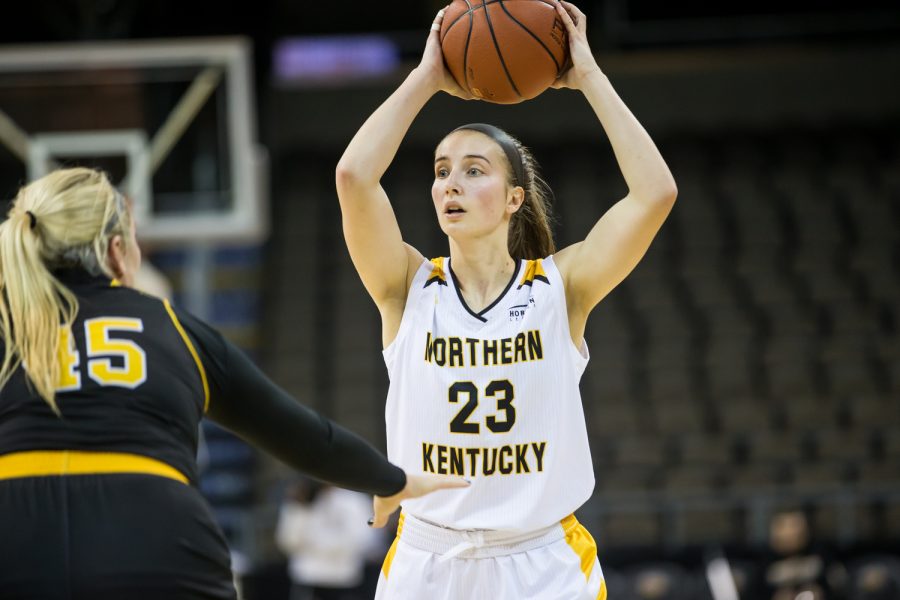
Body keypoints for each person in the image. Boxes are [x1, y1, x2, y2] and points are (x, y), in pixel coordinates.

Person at [335, 1, 677, 598]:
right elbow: (354, 177)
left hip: (542, 562)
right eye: (443, 171)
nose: (451, 184)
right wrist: (426, 78)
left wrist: (589, 77)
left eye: (474, 170)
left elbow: (655, 193)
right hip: (428, 560)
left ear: (515, 197)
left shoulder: (561, 287)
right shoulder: (404, 285)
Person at [0, 167, 468, 600]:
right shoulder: (171, 327)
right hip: (154, 528)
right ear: (118, 253)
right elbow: (299, 435)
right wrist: (390, 480)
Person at [275, 478, 374, 600]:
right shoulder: (301, 498)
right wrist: (300, 509)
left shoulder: (353, 500)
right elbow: (288, 541)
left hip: (343, 578)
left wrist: (322, 546)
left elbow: (365, 539)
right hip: (308, 578)